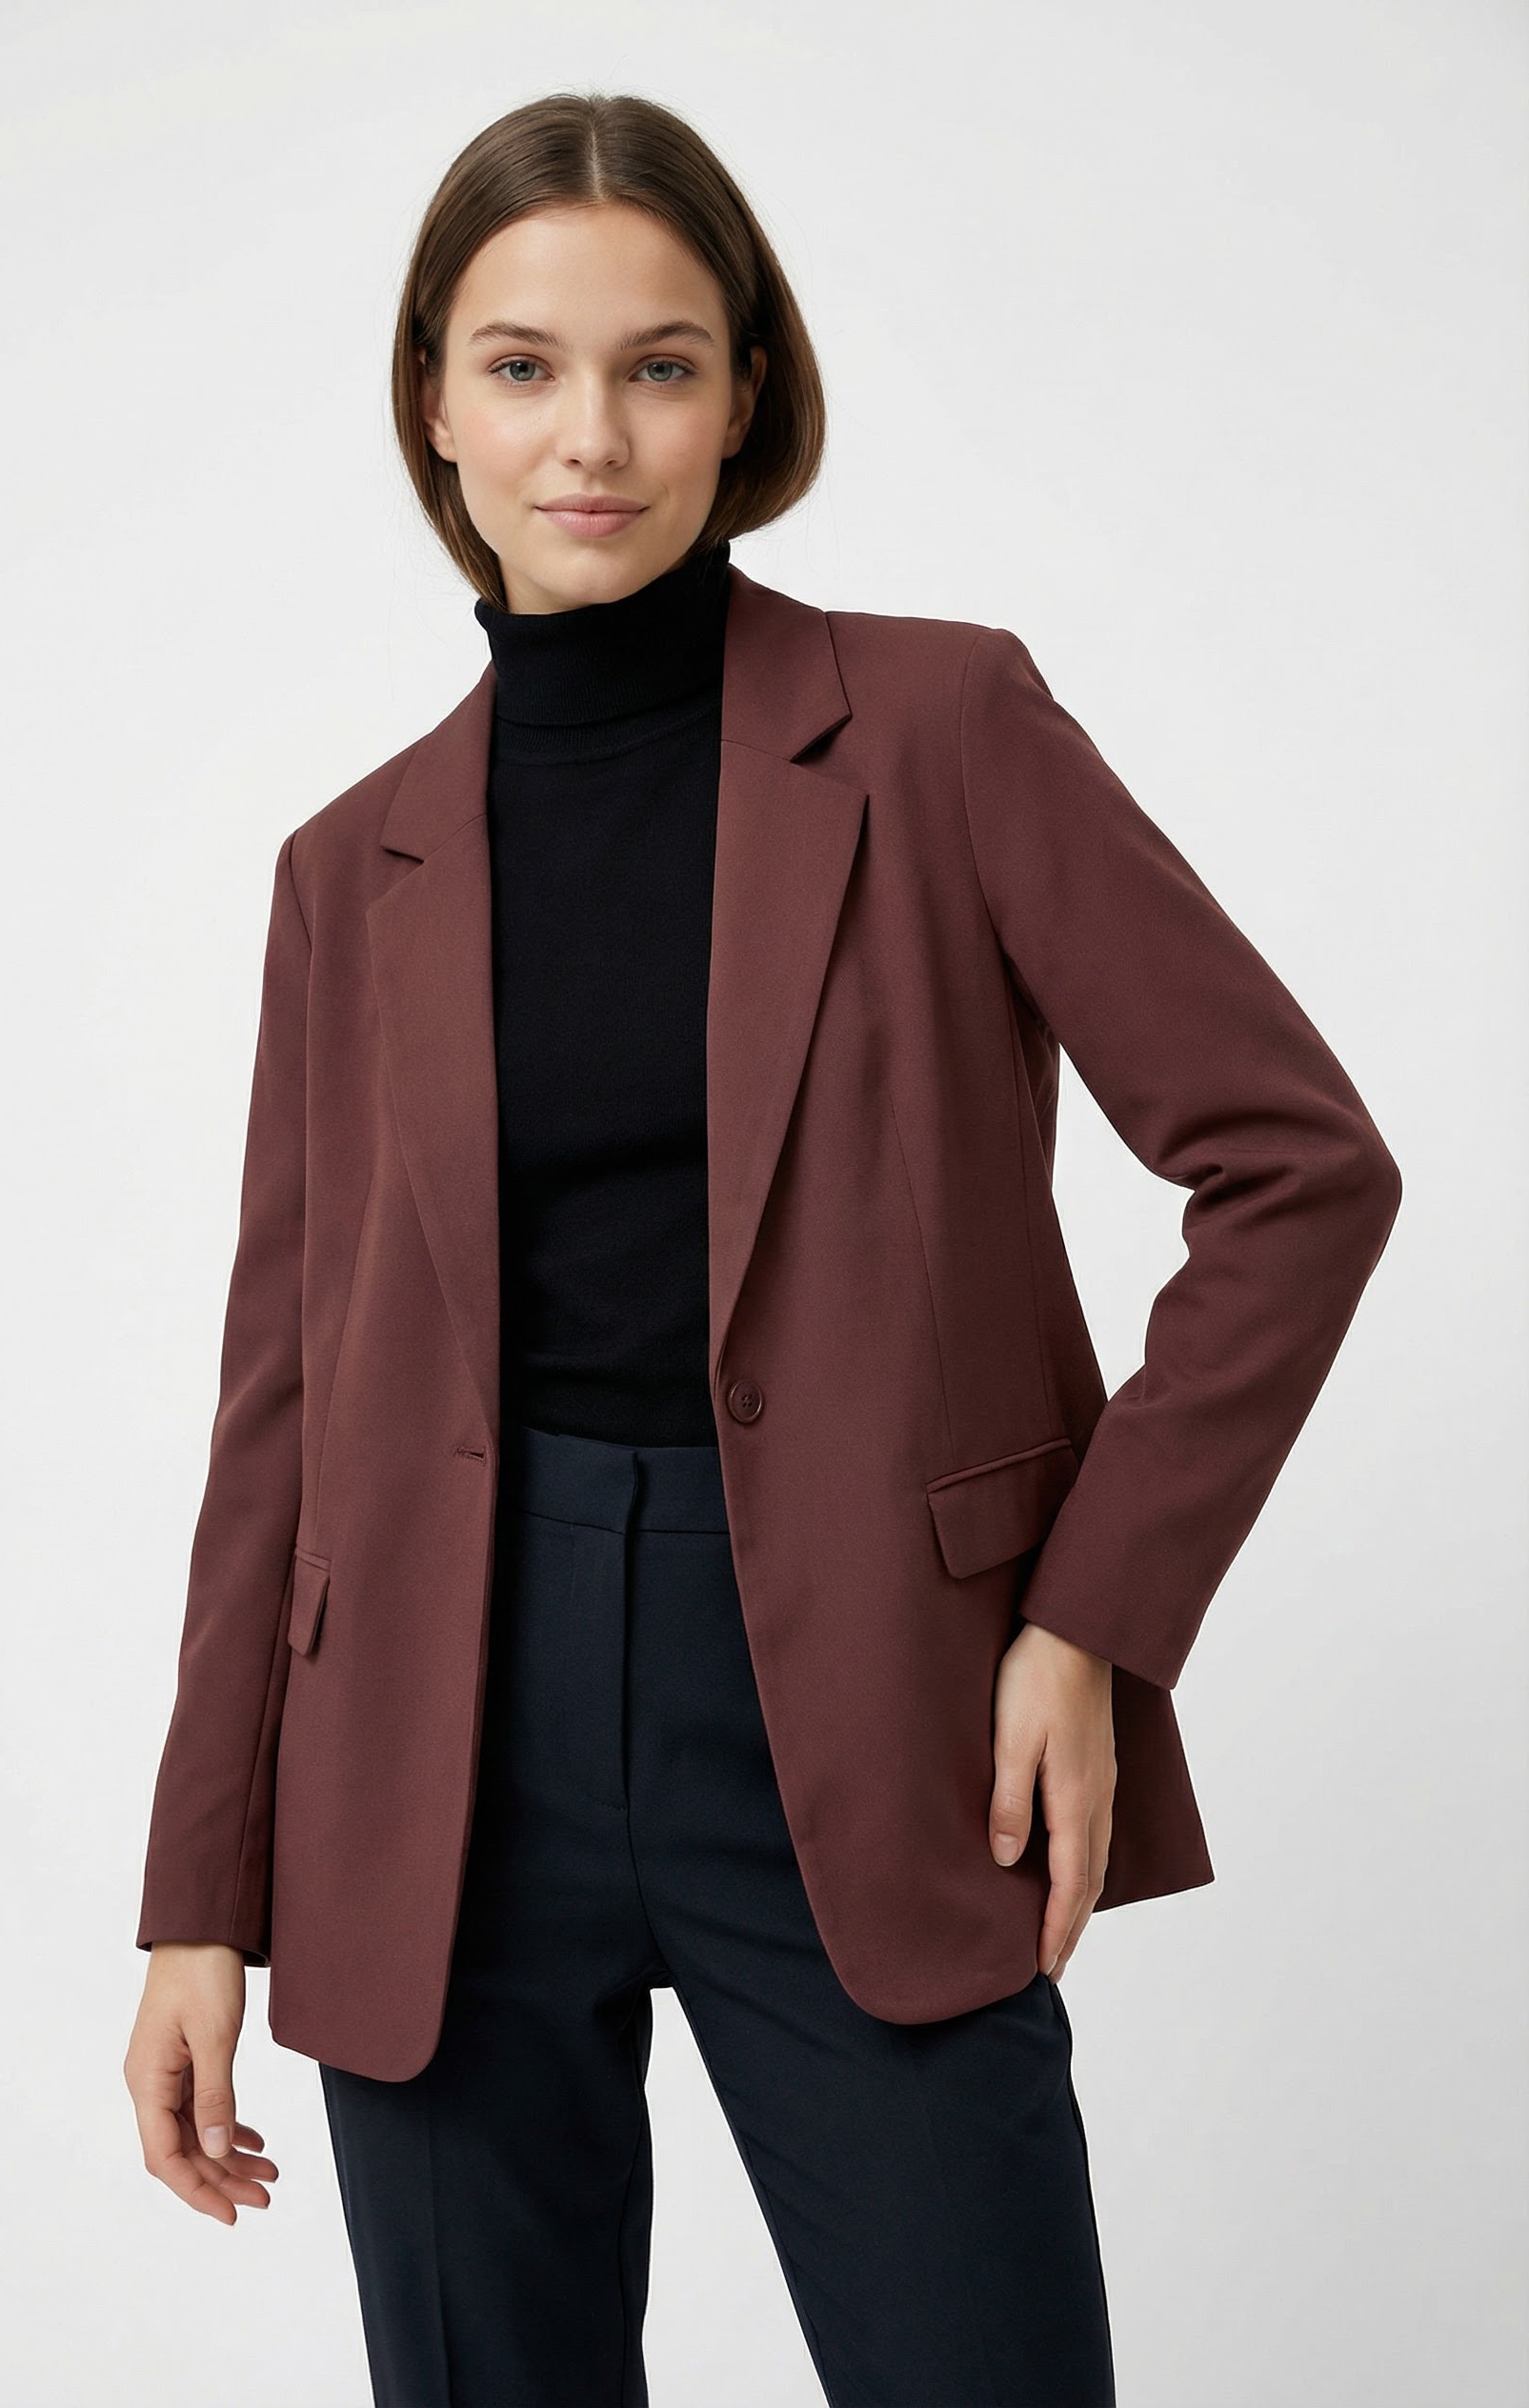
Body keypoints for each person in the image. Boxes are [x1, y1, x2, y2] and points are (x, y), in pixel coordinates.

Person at [124, 90, 1401, 2408]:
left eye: (659, 365)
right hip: (429, 1743)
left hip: (863, 1696)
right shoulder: (348, 870)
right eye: (521, 365)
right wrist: (199, 1891)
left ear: (744, 397)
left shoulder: (939, 728)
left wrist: (1089, 1616)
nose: (589, 436)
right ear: (434, 397)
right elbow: (279, 1402)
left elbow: (1295, 1167)